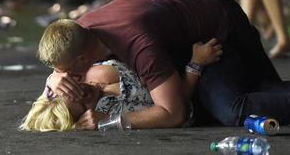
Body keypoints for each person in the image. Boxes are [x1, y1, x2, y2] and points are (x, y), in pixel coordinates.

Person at [38, 0, 290, 130]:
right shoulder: (81, 31)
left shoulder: (137, 44)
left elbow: (174, 111)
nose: (67, 81)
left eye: (66, 73)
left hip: (217, 29)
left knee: (238, 107)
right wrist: (53, 82)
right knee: (269, 90)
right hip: (188, 37)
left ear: (83, 60)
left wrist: (105, 126)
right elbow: (63, 68)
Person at [21, 39, 222, 131]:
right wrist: (196, 64)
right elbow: (178, 106)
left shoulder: (85, 73)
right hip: (198, 77)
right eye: (83, 104)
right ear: (84, 118)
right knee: (236, 108)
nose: (85, 92)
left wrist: (53, 76)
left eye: (75, 88)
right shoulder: (115, 109)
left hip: (169, 45)